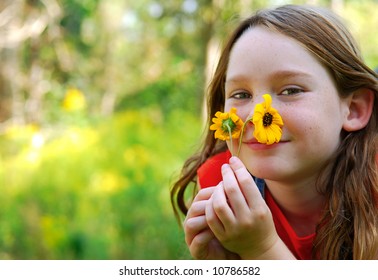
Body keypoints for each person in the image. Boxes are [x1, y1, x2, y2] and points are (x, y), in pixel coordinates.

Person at [170, 4, 378, 260]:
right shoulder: (221, 186)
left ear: (354, 109)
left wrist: (261, 250)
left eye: (291, 91)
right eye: (241, 94)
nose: (258, 115)